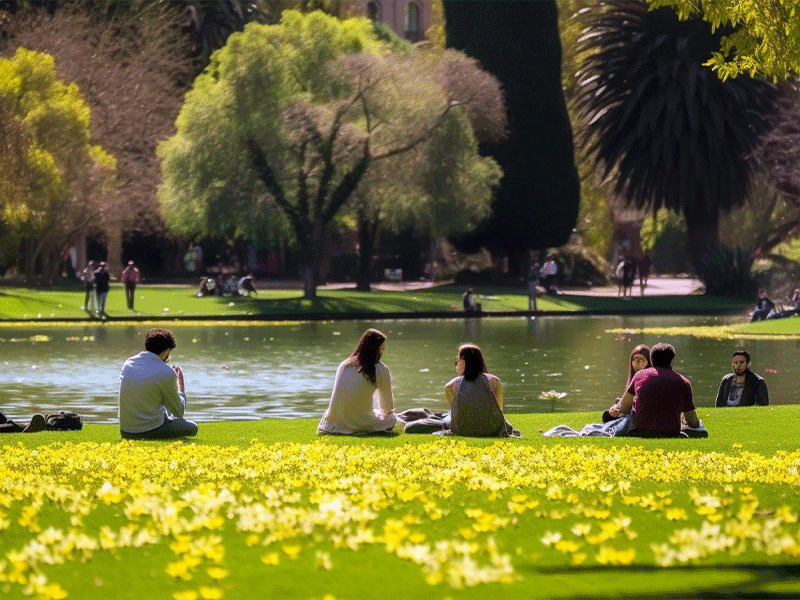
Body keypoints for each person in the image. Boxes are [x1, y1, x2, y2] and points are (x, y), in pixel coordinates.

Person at [118, 328, 198, 440]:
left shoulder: (128, 363)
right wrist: (180, 386)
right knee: (193, 427)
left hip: (126, 432)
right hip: (151, 430)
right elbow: (179, 412)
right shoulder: (166, 372)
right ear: (166, 351)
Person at [608, 342, 700, 437]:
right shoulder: (684, 382)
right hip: (670, 432)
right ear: (672, 361)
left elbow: (624, 408)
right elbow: (693, 422)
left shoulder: (639, 375)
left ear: (651, 360)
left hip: (639, 430)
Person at [318, 329, 396, 435]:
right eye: (381, 349)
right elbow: (387, 408)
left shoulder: (344, 365)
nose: (382, 352)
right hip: (361, 423)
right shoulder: (380, 369)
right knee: (392, 418)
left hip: (332, 425)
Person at [445, 343, 516, 437]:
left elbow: (457, 413)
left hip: (464, 431)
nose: (456, 363)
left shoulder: (450, 386)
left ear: (462, 361)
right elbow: (499, 411)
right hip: (493, 430)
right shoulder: (494, 381)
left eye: (457, 360)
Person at [602, 344, 651, 423]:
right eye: (634, 360)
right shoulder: (635, 377)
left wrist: (619, 408)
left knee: (608, 416)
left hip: (640, 415)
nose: (636, 363)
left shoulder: (646, 378)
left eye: (640, 360)